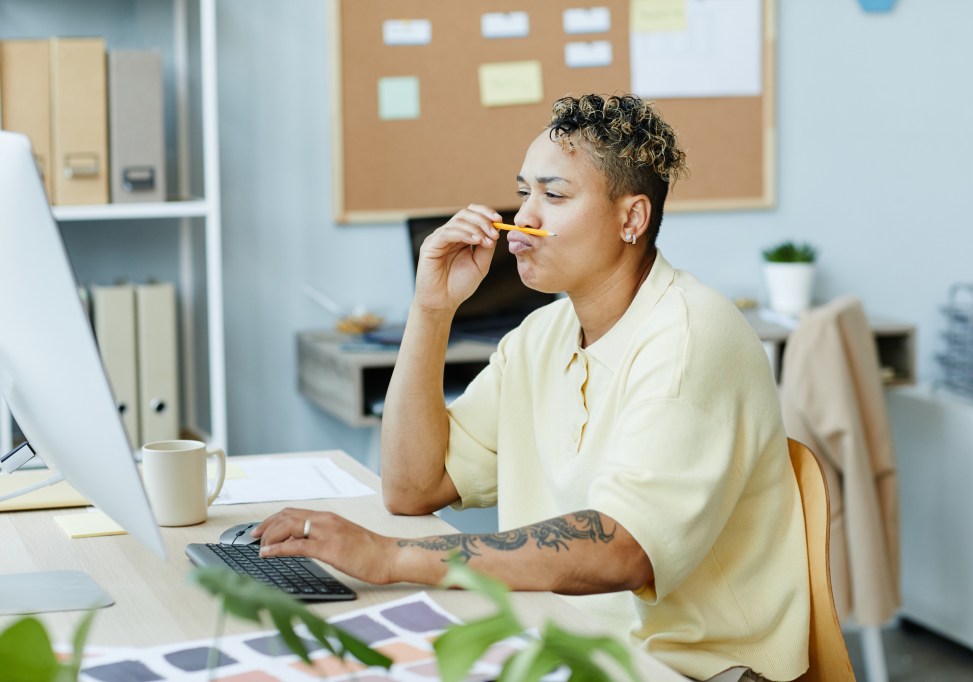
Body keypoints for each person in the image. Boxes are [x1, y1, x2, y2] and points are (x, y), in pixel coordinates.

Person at [255, 93, 810, 681]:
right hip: (562, 646)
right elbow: (414, 487)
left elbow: (621, 549)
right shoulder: (541, 335)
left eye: (555, 195)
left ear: (632, 219)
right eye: (524, 192)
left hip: (689, 669)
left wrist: (391, 556)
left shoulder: (692, 338)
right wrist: (431, 309)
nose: (524, 218)